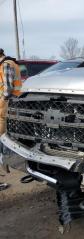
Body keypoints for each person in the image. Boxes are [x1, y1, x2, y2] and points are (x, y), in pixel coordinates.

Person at [0, 48, 22, 191]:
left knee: (3, 137)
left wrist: (2, 100)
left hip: (5, 106)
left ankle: (6, 163)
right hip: (7, 106)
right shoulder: (8, 63)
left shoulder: (6, 64)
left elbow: (7, 90)